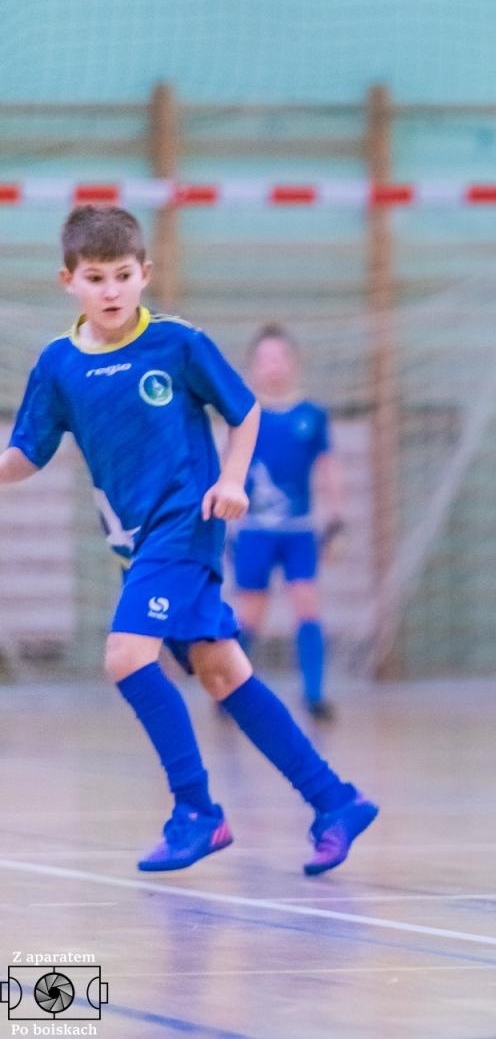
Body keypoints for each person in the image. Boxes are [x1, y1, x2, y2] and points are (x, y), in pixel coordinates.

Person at [0, 206, 378, 875]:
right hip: (135, 544)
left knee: (125, 656)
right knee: (223, 671)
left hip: (186, 525)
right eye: (96, 277)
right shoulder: (59, 364)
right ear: (69, 281)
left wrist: (231, 479)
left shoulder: (177, 343)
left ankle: (197, 811)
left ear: (145, 273)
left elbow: (245, 409)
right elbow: (27, 452)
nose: (111, 290)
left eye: (123, 275)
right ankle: (335, 800)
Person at [232, 323, 344, 722]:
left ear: (294, 363)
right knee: (250, 615)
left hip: (298, 531)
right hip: (254, 530)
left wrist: (337, 519)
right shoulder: (244, 413)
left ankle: (314, 694)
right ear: (253, 366)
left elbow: (328, 466)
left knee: (307, 604)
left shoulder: (312, 415)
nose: (274, 366)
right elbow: (228, 465)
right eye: (265, 359)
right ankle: (231, 691)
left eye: (281, 357)